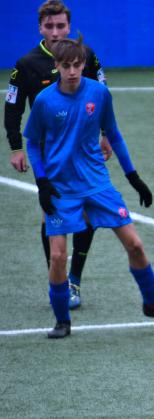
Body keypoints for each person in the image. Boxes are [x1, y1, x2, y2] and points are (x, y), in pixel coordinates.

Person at [23, 34, 154, 339]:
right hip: (61, 189)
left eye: (77, 65)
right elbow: (32, 143)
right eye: (66, 66)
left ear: (83, 64)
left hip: (98, 184)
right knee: (57, 256)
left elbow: (113, 133)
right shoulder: (45, 101)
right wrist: (42, 182)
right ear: (57, 66)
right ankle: (62, 321)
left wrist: (133, 177)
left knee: (135, 245)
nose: (73, 71)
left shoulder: (99, 93)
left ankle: (152, 305)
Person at [5, 0, 112, 310]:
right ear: (40, 28)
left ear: (69, 26)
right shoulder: (27, 64)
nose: (55, 32)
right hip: (50, 154)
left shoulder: (86, 55)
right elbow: (12, 107)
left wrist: (105, 134)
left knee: (88, 212)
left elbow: (103, 95)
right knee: (51, 212)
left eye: (60, 26)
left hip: (86, 151)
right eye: (49, 26)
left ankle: (74, 278)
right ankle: (58, 278)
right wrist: (16, 147)